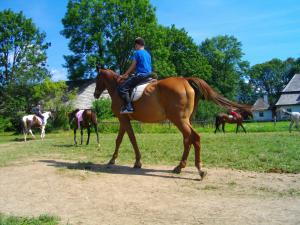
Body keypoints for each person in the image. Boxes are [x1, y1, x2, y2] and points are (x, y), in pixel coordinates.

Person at [117, 37, 152, 114]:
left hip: (141, 75)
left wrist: (124, 75)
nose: (135, 47)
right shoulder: (148, 54)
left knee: (122, 88)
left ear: (138, 44)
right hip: (149, 75)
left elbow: (133, 66)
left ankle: (128, 107)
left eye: (135, 46)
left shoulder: (137, 53)